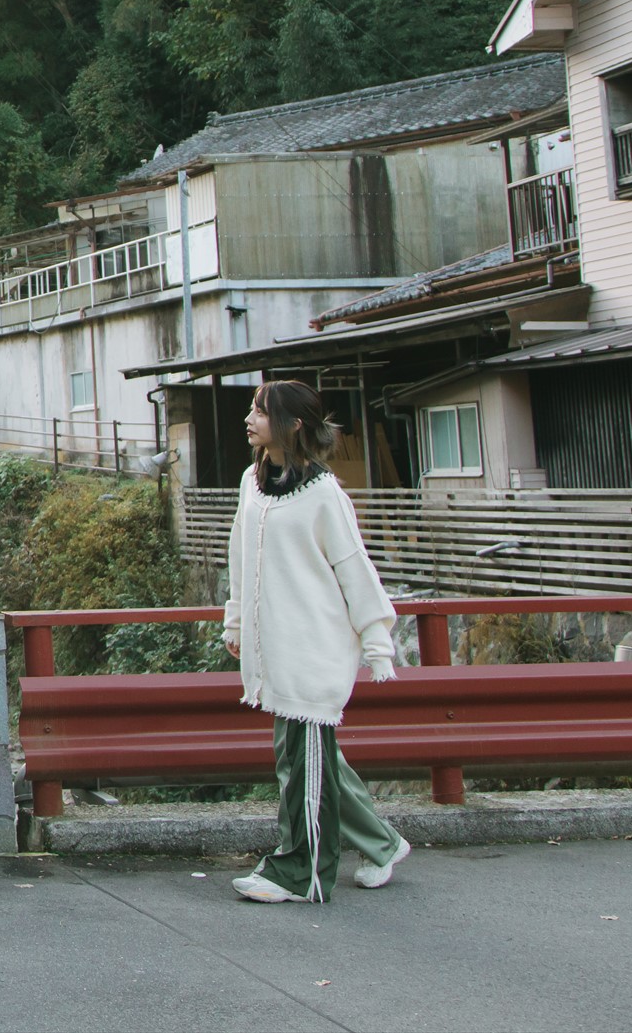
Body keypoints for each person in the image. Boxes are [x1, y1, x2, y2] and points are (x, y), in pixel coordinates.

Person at [220, 380, 411, 902]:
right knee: (309, 758)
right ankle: (384, 842)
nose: (250, 418)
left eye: (261, 411)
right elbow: (240, 555)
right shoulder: (252, 482)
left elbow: (355, 569)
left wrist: (377, 642)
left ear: (293, 424)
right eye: (253, 410)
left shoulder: (325, 494)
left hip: (313, 646)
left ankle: (300, 873)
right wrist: (235, 621)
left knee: (301, 765)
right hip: (275, 648)